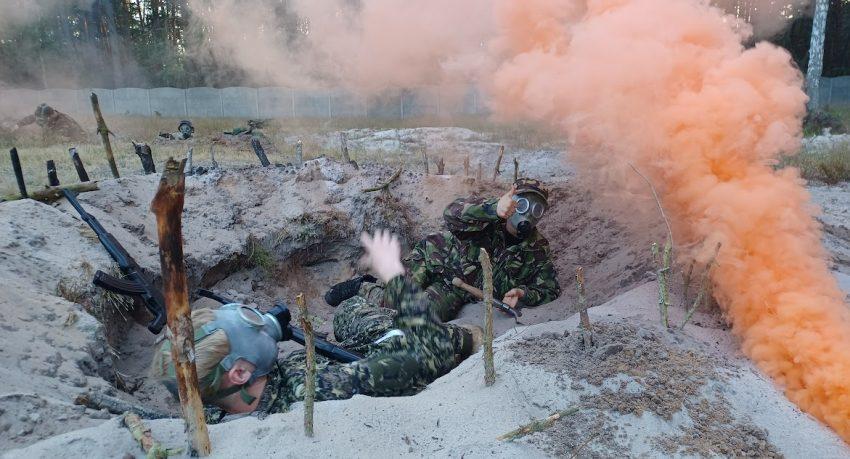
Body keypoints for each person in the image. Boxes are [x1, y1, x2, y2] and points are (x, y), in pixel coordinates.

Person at [151, 230, 481, 416]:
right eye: (248, 322)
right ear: (239, 372)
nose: (256, 319)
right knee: (373, 319)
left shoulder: (215, 406)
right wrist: (394, 273)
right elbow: (428, 352)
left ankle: (361, 293)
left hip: (335, 357)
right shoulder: (318, 391)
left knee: (350, 313)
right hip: (385, 358)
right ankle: (469, 338)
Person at [327, 178, 561, 322]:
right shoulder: (486, 216)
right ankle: (365, 286)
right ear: (511, 202)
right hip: (433, 258)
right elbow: (452, 213)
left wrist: (522, 293)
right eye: (523, 204)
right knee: (393, 301)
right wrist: (493, 209)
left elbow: (550, 289)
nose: (528, 213)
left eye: (537, 209)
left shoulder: (536, 248)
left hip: (456, 286)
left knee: (418, 315)